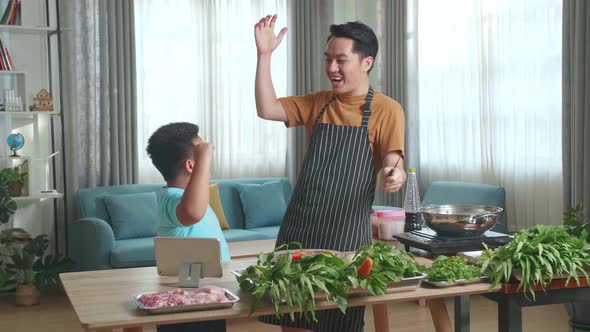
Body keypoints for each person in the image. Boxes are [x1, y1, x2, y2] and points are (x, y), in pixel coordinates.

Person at [254, 15, 406, 332]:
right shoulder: (318, 103)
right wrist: (264, 55)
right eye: (328, 59)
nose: (331, 68)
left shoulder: (386, 109)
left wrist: (395, 173)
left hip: (346, 235)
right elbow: (267, 108)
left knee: (340, 320)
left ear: (367, 62)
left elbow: (394, 161)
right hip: (300, 227)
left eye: (341, 60)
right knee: (293, 317)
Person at [146, 122, 230, 332]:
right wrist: (204, 159)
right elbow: (192, 212)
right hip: (184, 298)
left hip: (207, 293)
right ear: (192, 165)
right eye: (201, 159)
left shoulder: (189, 198)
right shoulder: (170, 198)